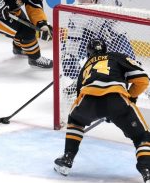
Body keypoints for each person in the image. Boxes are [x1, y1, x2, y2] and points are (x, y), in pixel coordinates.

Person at [54, 38, 150, 183]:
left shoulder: (86, 66)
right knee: (142, 136)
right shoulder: (117, 56)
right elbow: (143, 80)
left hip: (87, 101)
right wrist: (130, 97)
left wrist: (101, 110)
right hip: (117, 101)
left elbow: (80, 95)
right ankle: (146, 170)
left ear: (88, 53)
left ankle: (67, 158)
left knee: (75, 120)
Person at [62, 0, 136, 95]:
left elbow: (122, 16)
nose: (81, 2)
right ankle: (79, 82)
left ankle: (145, 86)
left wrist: (112, 29)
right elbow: (73, 37)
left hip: (112, 32)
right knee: (85, 62)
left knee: (130, 61)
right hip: (90, 34)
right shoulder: (75, 11)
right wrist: (70, 56)